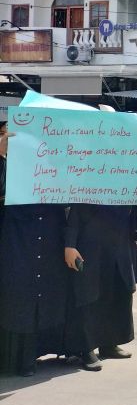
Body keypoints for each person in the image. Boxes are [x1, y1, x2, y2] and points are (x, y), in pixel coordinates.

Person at [0, 129, 69, 377]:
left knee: (46, 296)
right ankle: (18, 360)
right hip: (16, 239)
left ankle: (36, 354)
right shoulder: (8, 166)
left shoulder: (59, 167)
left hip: (50, 238)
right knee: (18, 298)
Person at [63, 203, 137, 371]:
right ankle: (85, 348)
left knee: (118, 291)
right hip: (90, 241)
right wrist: (70, 244)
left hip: (120, 240)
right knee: (88, 295)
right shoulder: (88, 180)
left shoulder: (128, 180)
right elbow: (76, 210)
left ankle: (109, 343)